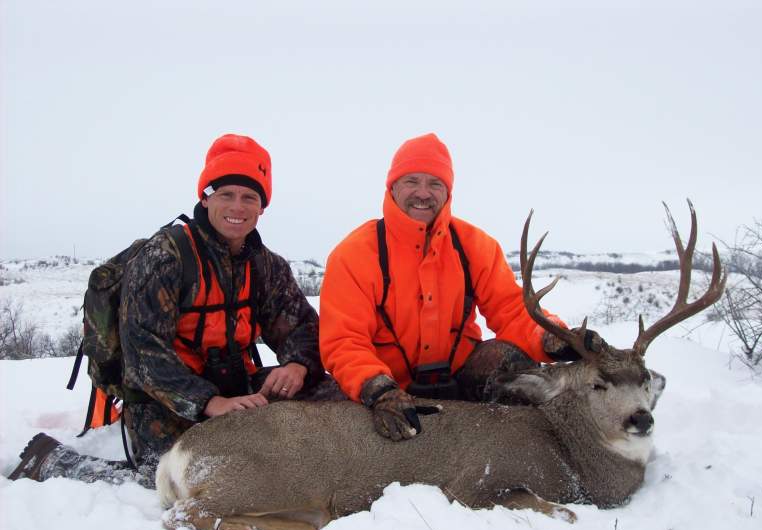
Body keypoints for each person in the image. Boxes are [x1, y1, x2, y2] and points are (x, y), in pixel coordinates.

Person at [8, 133, 329, 487]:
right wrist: (209, 402)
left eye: (249, 197)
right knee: (184, 478)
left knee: (334, 399)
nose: (237, 207)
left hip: (236, 384)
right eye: (226, 194)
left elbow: (302, 326)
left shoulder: (267, 266)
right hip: (164, 398)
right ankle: (54, 461)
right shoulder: (166, 256)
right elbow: (143, 355)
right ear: (205, 199)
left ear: (261, 207)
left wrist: (298, 365)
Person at [319, 133, 602, 442]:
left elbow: (510, 310)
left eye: (435, 184)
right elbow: (344, 341)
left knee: (512, 362)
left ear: (448, 192)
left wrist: (553, 338)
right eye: (412, 181)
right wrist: (378, 389)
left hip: (460, 377)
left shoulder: (474, 245)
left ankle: (529, 448)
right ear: (392, 187)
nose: (423, 194)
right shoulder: (355, 254)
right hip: (390, 390)